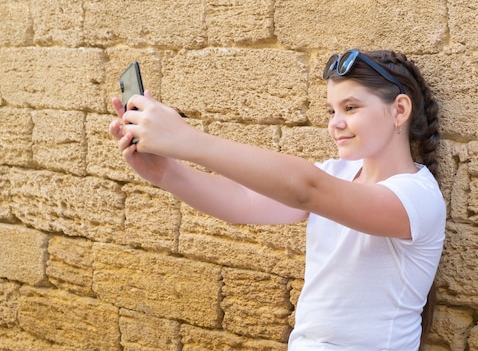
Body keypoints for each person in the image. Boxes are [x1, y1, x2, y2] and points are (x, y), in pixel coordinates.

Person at [109, 49, 446, 350]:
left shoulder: (416, 196)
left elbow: (306, 188)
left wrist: (186, 139)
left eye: (351, 107)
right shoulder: (338, 173)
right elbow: (242, 200)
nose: (336, 123)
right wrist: (167, 173)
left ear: (399, 110)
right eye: (331, 111)